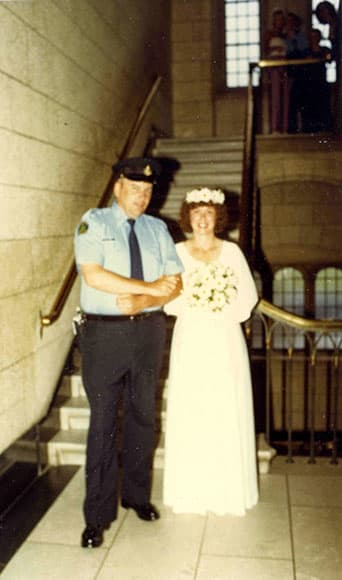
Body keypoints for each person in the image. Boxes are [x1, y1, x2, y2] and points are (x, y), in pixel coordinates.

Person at [74, 157, 183, 548]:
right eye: (136, 188)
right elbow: (93, 274)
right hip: (104, 336)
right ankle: (97, 517)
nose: (143, 196)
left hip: (149, 333)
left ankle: (137, 496)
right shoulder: (94, 222)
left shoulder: (159, 229)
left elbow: (175, 282)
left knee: (142, 417)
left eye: (149, 190)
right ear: (118, 185)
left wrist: (147, 297)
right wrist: (151, 290)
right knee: (103, 422)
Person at [163, 187, 259, 516]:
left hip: (224, 337)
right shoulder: (176, 251)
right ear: (187, 216)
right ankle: (191, 492)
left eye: (209, 213)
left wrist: (219, 306)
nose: (203, 219)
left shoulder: (231, 252)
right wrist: (195, 303)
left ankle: (225, 491)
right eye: (196, 212)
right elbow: (168, 296)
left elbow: (247, 298)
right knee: (193, 406)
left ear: (218, 217)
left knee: (223, 405)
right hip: (191, 335)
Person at [264, 9, 289, 133]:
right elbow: (266, 50)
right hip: (274, 68)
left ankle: (284, 127)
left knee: (285, 98)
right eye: (277, 19)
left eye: (281, 19)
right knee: (275, 98)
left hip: (285, 67)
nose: (279, 21)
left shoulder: (286, 35)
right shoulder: (269, 34)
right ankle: (274, 127)